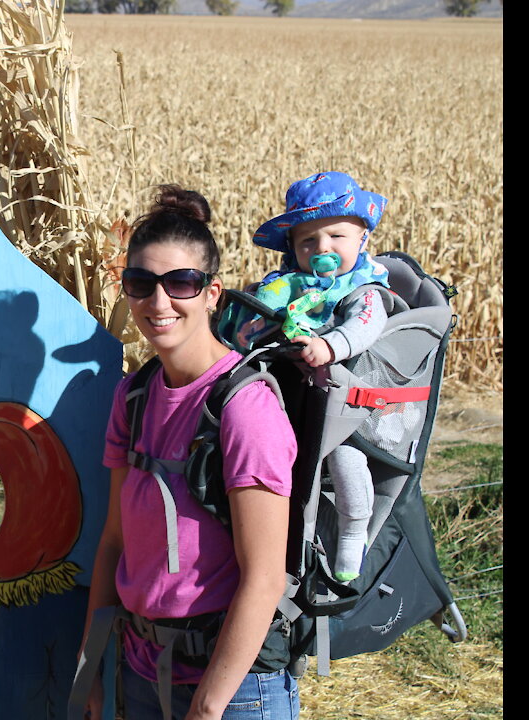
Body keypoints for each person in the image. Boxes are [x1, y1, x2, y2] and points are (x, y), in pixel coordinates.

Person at [77, 185, 298, 719]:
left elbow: (264, 576)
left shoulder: (244, 409)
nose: (158, 302)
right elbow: (113, 543)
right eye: (140, 283)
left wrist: (209, 705)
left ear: (212, 292)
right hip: (140, 667)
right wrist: (91, 670)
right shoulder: (132, 396)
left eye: (180, 282)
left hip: (233, 687)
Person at [226, 171, 392, 582]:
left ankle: (355, 529)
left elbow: (366, 325)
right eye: (308, 241)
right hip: (292, 395)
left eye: (336, 236)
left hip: (348, 407)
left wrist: (330, 346)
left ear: (361, 239)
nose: (323, 248)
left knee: (345, 462)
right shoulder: (291, 286)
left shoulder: (363, 288)